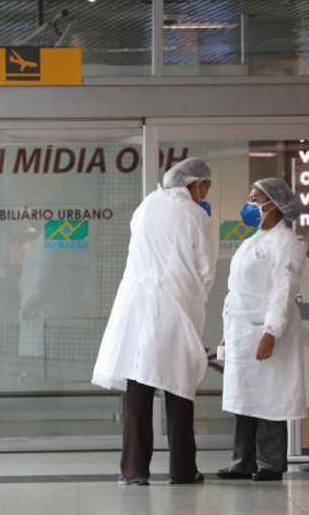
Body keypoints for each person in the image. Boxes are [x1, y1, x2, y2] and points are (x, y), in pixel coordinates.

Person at [92, 158, 216, 486]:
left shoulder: (146, 205)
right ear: (195, 183)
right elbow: (205, 269)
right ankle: (183, 470)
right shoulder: (195, 215)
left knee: (139, 383)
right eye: (206, 186)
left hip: (136, 305)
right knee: (180, 388)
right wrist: (193, 297)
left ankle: (133, 470)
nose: (206, 193)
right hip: (176, 305)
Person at [216, 179, 307, 482]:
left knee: (270, 395)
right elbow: (236, 289)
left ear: (275, 204)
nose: (250, 203)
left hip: (267, 328)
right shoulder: (253, 239)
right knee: (245, 396)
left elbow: (284, 291)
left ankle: (270, 462)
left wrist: (271, 331)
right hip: (242, 328)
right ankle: (243, 461)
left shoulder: (286, 243)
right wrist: (228, 329)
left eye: (255, 198)